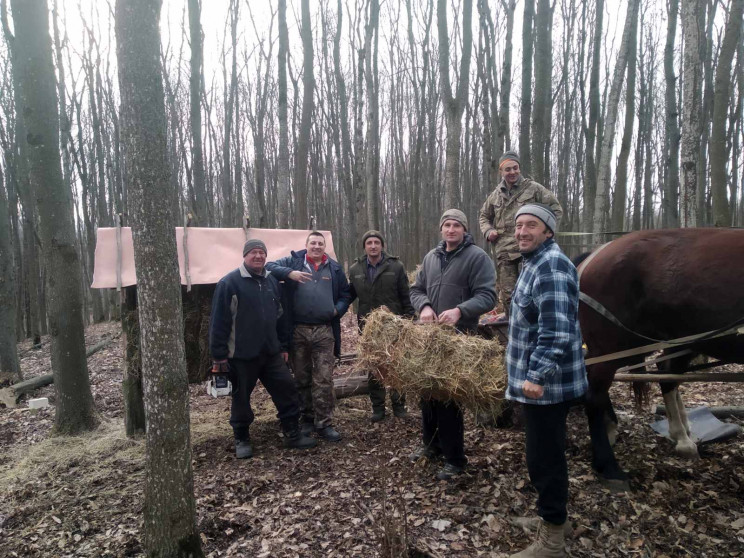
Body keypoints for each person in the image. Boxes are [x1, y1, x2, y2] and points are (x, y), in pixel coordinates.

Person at [506, 204, 587, 557]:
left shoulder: (551, 265)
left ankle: (552, 538)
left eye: (532, 225)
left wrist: (536, 375)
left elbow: (557, 331)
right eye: (519, 225)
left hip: (547, 387)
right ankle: (556, 518)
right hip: (537, 383)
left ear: (548, 232)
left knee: (545, 459)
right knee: (543, 455)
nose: (522, 231)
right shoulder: (533, 263)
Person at [409, 209, 497, 480]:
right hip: (429, 338)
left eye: (456, 225)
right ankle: (431, 446)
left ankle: (455, 459)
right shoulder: (431, 257)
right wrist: (423, 306)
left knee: (448, 398)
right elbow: (416, 289)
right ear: (441, 229)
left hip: (459, 339)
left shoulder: (477, 257)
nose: (451, 230)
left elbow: (488, 296)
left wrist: (459, 310)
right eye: (446, 225)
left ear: (464, 230)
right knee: (427, 393)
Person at [209, 239, 317, 459]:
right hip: (241, 355)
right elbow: (219, 322)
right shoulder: (229, 283)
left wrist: (282, 345)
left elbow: (280, 316)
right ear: (245, 255)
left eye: (261, 253)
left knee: (287, 389)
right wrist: (219, 356)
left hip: (271, 353)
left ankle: (291, 433)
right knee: (241, 399)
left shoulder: (271, 281)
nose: (258, 256)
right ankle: (242, 438)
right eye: (253, 253)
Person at [265, 231, 352, 442]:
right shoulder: (294, 261)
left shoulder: (334, 268)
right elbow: (269, 267)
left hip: (324, 330)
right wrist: (289, 273)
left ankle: (325, 423)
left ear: (325, 247)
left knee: (324, 378)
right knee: (301, 377)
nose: (316, 247)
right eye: (312, 243)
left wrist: (337, 310)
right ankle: (307, 419)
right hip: (298, 330)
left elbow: (346, 294)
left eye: (320, 244)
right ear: (306, 245)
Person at [478, 151, 563, 318]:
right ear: (501, 172)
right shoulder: (496, 195)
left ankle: (538, 327)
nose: (512, 172)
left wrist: (545, 233)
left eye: (515, 168)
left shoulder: (534, 189)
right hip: (504, 252)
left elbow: (555, 209)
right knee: (509, 296)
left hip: (530, 250)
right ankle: (513, 330)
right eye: (508, 169)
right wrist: (488, 231)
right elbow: (483, 216)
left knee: (532, 291)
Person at [348, 230, 414, 423]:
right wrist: (334, 308)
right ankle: (378, 408)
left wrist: (409, 319)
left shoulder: (396, 266)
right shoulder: (355, 269)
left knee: (396, 365)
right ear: (364, 247)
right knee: (374, 366)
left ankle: (399, 406)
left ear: (382, 245)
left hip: (393, 324)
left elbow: (405, 295)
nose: (373, 246)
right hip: (368, 325)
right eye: (369, 243)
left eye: (377, 242)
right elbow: (349, 295)